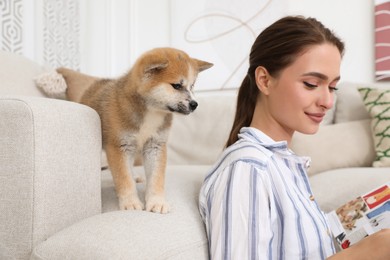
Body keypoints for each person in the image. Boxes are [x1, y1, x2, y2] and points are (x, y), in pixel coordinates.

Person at [198, 15, 390, 260]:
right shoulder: (248, 169)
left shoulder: (283, 163)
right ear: (264, 80)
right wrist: (365, 253)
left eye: (332, 87)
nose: (327, 101)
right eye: (311, 84)